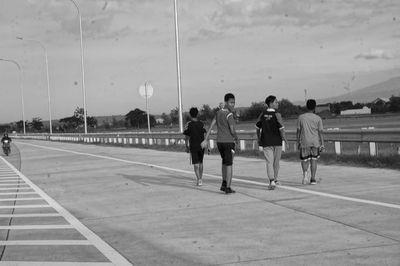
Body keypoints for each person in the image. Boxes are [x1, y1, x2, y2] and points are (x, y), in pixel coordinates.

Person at [202, 93, 238, 194]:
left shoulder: (218, 113)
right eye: (231, 102)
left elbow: (211, 126)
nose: (233, 104)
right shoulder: (229, 115)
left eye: (234, 103)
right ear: (226, 102)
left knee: (224, 162)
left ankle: (223, 183)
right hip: (228, 142)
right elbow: (232, 129)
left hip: (220, 142)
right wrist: (236, 137)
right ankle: (228, 187)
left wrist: (206, 139)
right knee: (229, 164)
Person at [256, 95, 288, 190]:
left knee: (269, 162)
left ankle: (272, 180)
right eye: (276, 102)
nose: (277, 104)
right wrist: (286, 140)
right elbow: (281, 129)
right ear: (270, 103)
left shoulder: (262, 114)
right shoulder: (277, 114)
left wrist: (259, 138)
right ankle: (275, 179)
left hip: (266, 141)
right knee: (276, 162)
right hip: (277, 141)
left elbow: (257, 128)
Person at [296, 99, 325, 185]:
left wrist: (298, 141)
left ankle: (305, 176)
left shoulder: (301, 117)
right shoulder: (318, 118)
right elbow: (320, 133)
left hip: (305, 142)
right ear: (315, 107)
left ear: (306, 106)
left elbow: (298, 131)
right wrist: (322, 144)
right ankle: (313, 179)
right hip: (315, 142)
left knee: (304, 160)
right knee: (314, 160)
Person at [184, 107, 206, 186]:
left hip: (193, 146)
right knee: (201, 162)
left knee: (195, 163)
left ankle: (198, 179)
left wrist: (186, 146)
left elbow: (186, 137)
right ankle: (201, 178)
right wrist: (207, 144)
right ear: (197, 114)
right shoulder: (201, 123)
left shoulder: (188, 124)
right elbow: (204, 134)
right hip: (201, 146)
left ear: (190, 114)